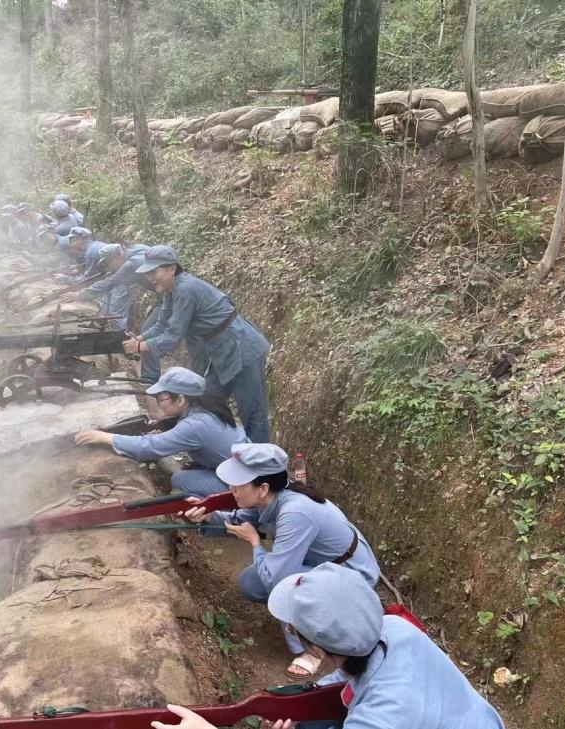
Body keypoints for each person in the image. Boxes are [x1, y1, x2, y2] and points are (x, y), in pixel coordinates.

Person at [151, 563, 506, 729]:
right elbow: (346, 675)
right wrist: (297, 702)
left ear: (316, 648)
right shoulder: (394, 628)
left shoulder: (379, 717)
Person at [182, 443, 379, 678]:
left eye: (238, 483)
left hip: (353, 575)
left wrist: (255, 542)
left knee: (282, 582)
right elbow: (241, 520)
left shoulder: (295, 513)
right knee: (252, 581)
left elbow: (277, 578)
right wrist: (208, 515)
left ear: (263, 488)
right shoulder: (275, 497)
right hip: (326, 566)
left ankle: (311, 648)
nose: (231, 488)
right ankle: (310, 621)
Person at [124, 245, 270, 443]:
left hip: (242, 346)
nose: (150, 277)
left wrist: (139, 348)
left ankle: (261, 459)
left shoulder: (186, 289)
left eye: (154, 271)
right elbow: (161, 325)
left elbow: (172, 337)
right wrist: (140, 339)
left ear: (172, 268)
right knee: (206, 398)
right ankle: (219, 445)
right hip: (219, 351)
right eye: (147, 272)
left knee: (252, 412)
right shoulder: (169, 291)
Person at [74, 367, 249, 497]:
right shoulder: (207, 409)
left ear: (180, 400)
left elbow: (149, 447)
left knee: (180, 480)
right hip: (246, 470)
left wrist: (106, 437)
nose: (158, 403)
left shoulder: (194, 425)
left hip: (244, 484)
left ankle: (224, 513)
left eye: (160, 398)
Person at [60, 243, 151, 330]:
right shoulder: (136, 249)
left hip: (160, 294)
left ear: (116, 256)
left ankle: (120, 336)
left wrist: (79, 295)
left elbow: (108, 283)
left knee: (141, 326)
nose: (108, 266)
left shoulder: (131, 265)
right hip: (158, 292)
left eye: (108, 262)